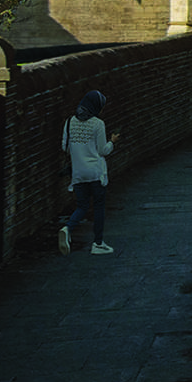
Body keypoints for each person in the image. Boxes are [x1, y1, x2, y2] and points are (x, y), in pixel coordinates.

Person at [60, 91, 114, 257]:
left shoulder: (69, 122)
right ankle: (98, 243)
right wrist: (113, 141)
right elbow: (102, 150)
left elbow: (65, 147)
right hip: (96, 173)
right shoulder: (98, 124)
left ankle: (67, 228)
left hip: (78, 173)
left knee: (82, 206)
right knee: (98, 207)